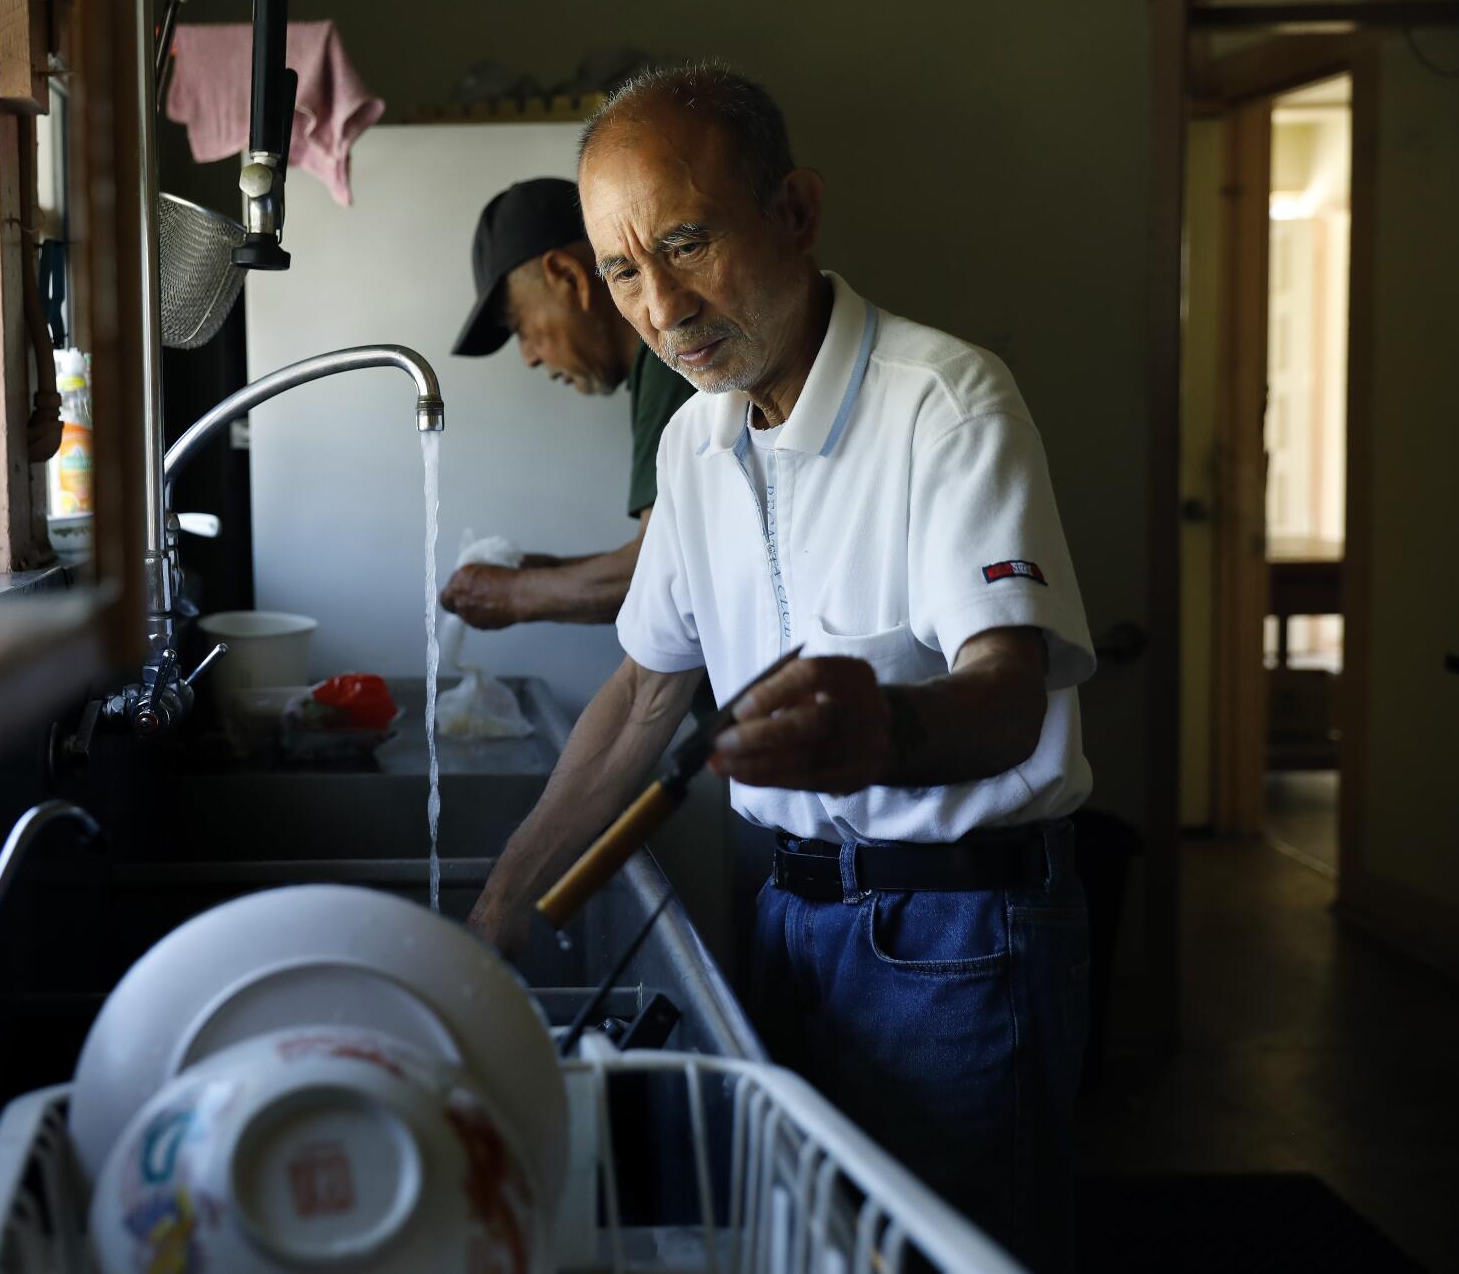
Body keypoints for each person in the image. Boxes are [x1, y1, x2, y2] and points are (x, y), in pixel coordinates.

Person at [466, 65, 1096, 1271]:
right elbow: (647, 692)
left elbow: (1008, 695)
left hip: (954, 931)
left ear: (795, 213)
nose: (660, 306)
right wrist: (493, 917)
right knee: (807, 1247)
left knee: (946, 1254)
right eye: (622, 271)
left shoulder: (945, 402)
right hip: (788, 914)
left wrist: (887, 734)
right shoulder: (697, 438)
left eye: (687, 243)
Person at [443, 178, 695, 629]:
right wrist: (548, 571)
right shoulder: (653, 370)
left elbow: (672, 574)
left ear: (568, 277)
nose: (530, 357)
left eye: (520, 326)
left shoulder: (670, 361)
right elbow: (676, 553)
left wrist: (516, 595)